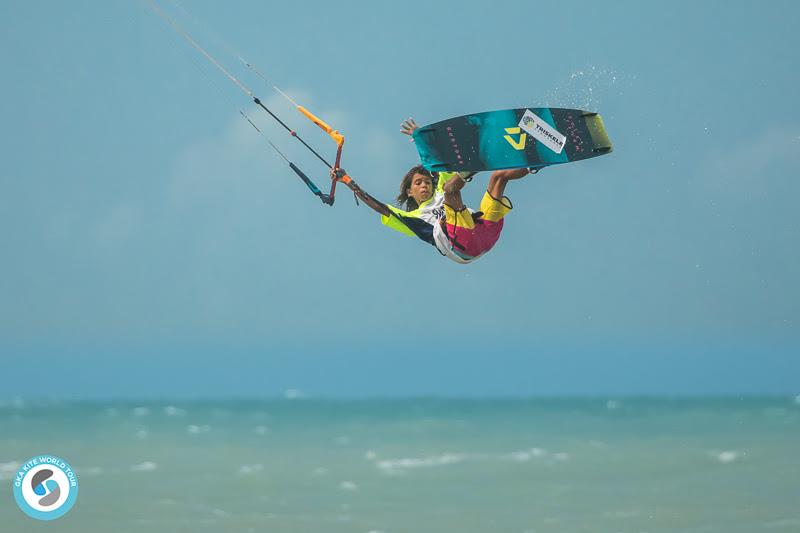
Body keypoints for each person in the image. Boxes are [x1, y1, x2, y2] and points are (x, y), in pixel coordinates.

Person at [333, 118, 531, 264]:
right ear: (410, 192)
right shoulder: (414, 217)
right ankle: (475, 164)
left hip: (484, 233)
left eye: (427, 182)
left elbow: (439, 161)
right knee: (449, 189)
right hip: (462, 246)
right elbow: (379, 207)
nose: (424, 185)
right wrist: (347, 181)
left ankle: (534, 161)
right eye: (418, 183)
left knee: (498, 178)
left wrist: (421, 139)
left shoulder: (439, 189)